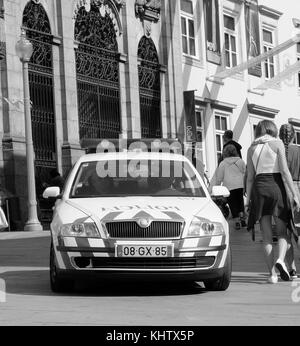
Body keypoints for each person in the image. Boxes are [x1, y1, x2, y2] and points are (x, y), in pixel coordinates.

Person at [246, 120, 300, 284]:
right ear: (272, 130)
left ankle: (272, 275)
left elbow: (249, 178)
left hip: (259, 189)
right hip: (276, 187)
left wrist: (248, 200)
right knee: (283, 232)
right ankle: (281, 260)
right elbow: (284, 171)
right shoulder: (277, 144)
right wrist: (295, 194)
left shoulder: (251, 148)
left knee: (267, 236)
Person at [279, 124, 300, 279]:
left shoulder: (277, 151)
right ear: (293, 136)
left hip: (281, 190)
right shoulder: (298, 151)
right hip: (297, 189)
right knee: (298, 231)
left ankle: (291, 269)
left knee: (285, 232)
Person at [216, 144, 246, 229]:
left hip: (229, 186)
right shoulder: (240, 161)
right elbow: (245, 173)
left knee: (232, 203)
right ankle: (242, 219)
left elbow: (219, 177)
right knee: (240, 201)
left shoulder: (223, 163)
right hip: (240, 185)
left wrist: (217, 186)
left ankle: (237, 222)